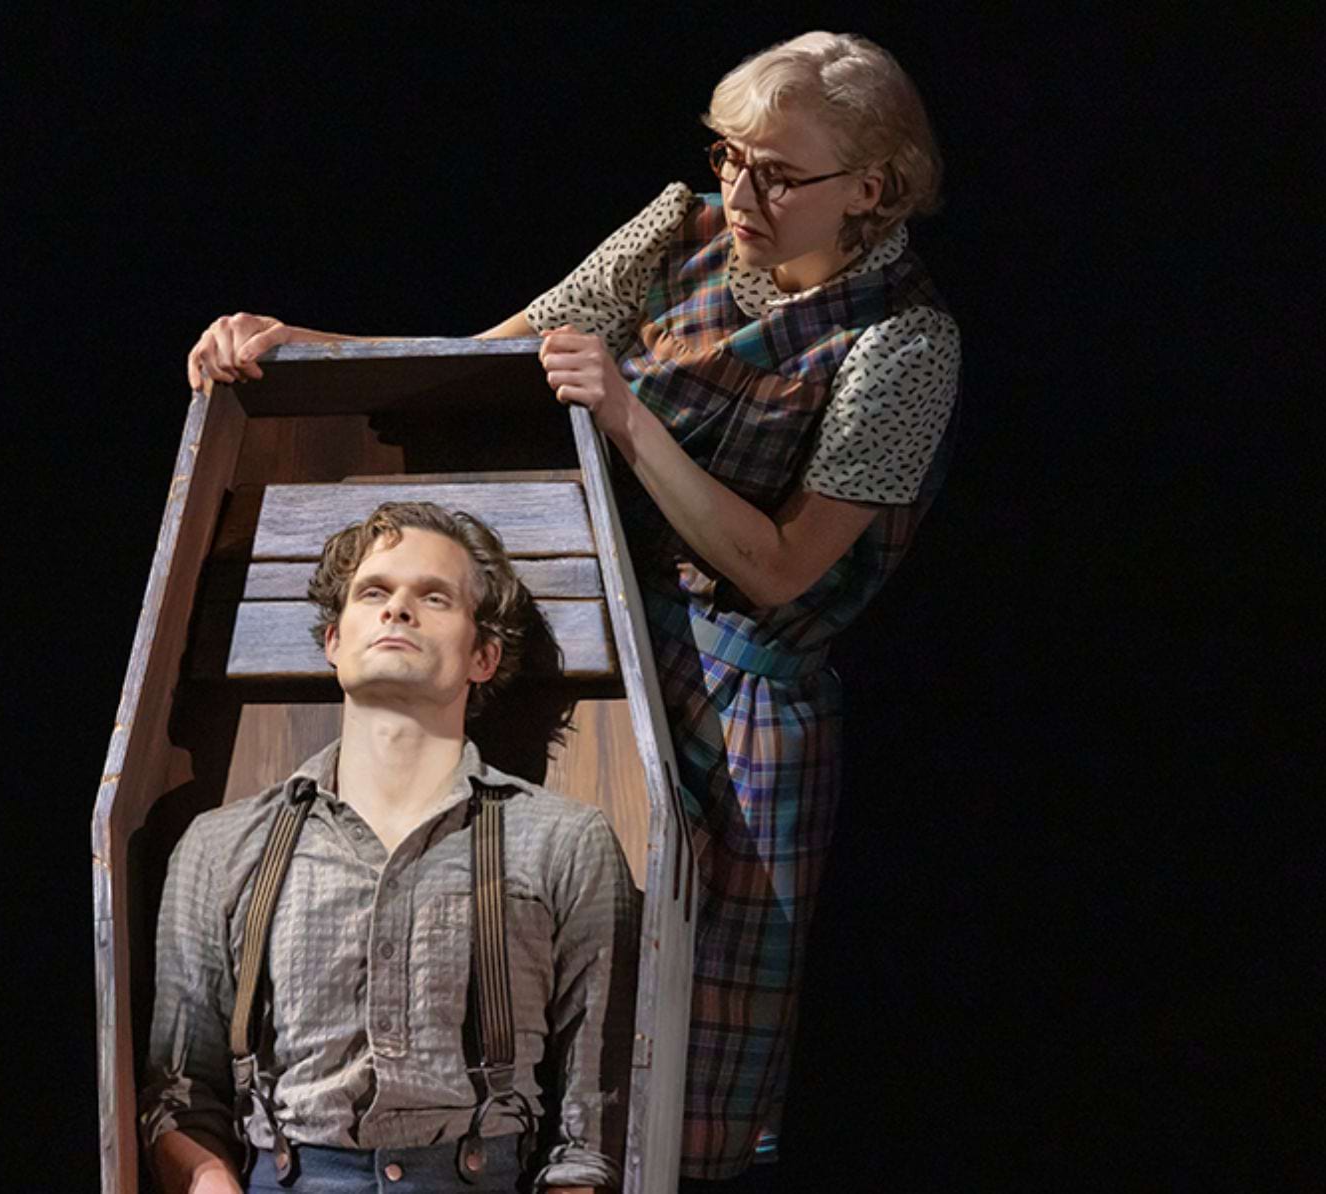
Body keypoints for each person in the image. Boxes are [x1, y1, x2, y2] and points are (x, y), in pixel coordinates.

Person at [183, 31, 959, 1189]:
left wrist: (628, 420)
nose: (741, 193)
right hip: (592, 657)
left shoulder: (903, 343)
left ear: (875, 189)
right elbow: (498, 359)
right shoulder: (681, 230)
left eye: (780, 175)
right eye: (730, 156)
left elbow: (783, 565)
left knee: (679, 1072)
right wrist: (300, 350)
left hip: (737, 708)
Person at [140, 501, 640, 1193]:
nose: (398, 610)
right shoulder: (222, 846)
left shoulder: (564, 842)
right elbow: (180, 1093)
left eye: (434, 598)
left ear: (483, 656)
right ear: (334, 640)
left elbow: (594, 1123)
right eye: (374, 593)